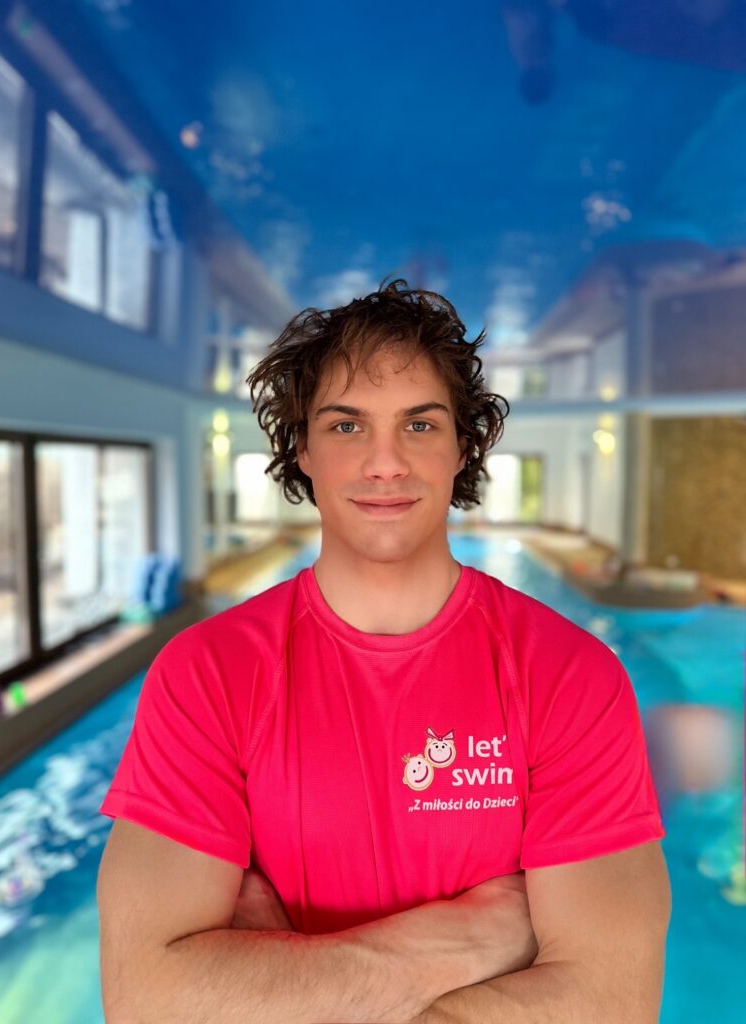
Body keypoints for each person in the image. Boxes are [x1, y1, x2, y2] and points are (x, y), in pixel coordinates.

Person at [97, 277, 671, 1023]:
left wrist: (282, 985)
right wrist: (461, 945)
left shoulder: (571, 676)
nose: (385, 462)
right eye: (347, 426)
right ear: (302, 448)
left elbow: (612, 1002)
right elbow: (147, 1003)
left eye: (420, 424)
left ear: (462, 445)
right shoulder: (207, 673)